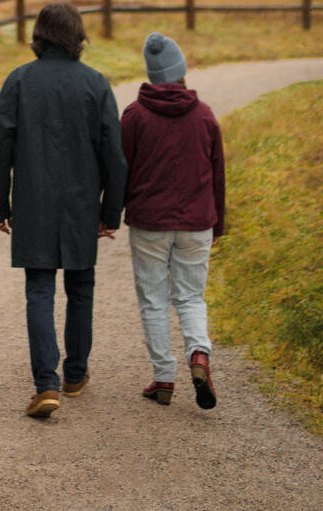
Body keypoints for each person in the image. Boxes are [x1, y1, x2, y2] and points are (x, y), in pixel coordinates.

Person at [0, 0, 127, 420]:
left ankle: (46, 385)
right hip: (82, 204)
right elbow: (114, 155)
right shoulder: (95, 84)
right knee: (81, 287)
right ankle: (75, 376)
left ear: (40, 36)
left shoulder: (19, 81)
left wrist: (0, 206)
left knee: (39, 290)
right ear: (77, 37)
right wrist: (111, 212)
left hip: (34, 202)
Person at [121, 32, 226, 411]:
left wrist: (110, 213)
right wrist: (218, 223)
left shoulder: (134, 116)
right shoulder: (204, 116)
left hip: (149, 222)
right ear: (181, 71)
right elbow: (218, 173)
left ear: (151, 74)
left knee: (153, 299)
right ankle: (199, 355)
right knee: (190, 296)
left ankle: (164, 377)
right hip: (197, 222)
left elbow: (120, 170)